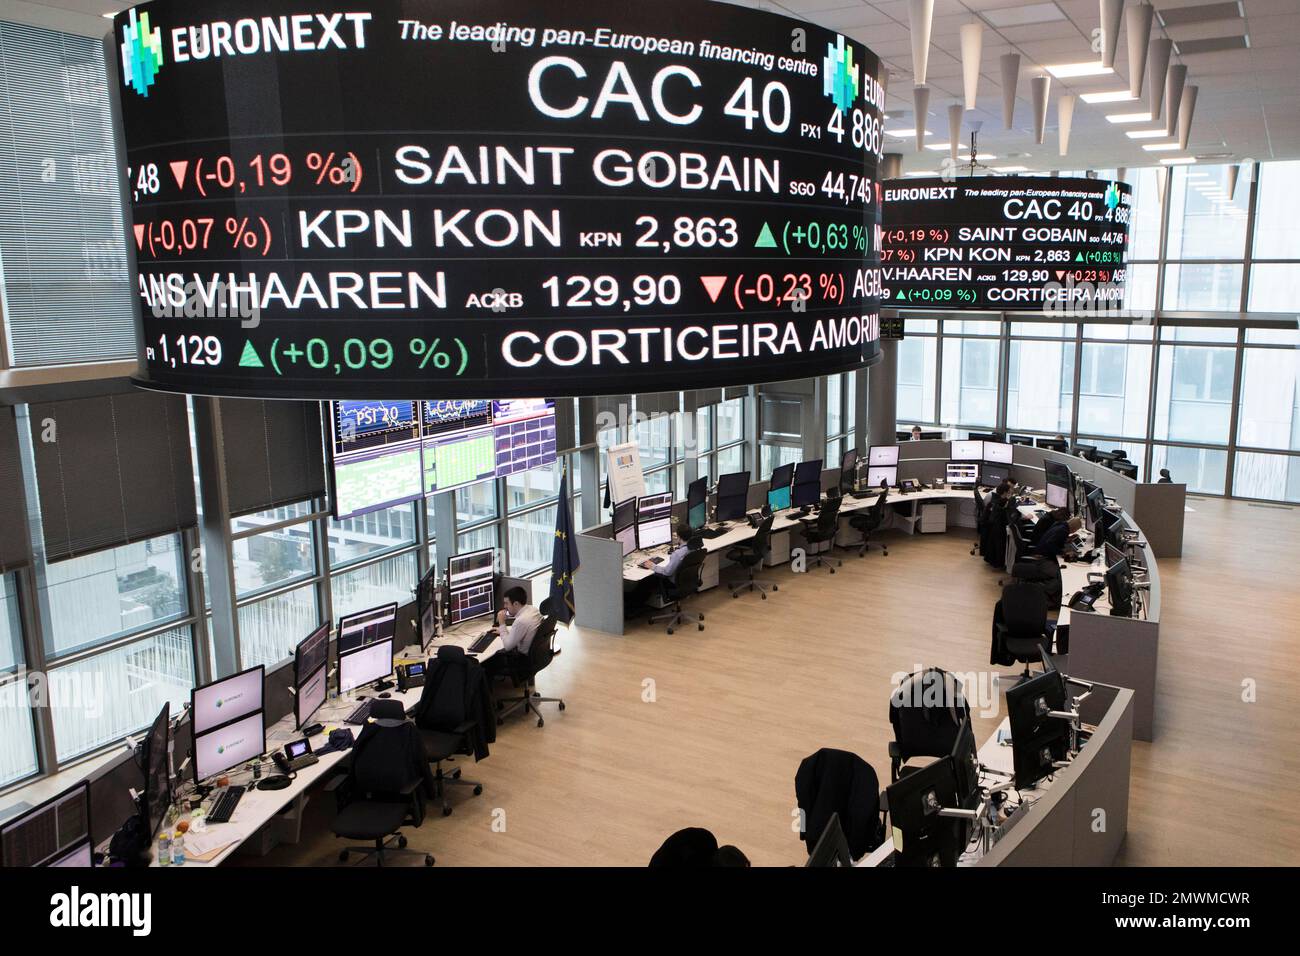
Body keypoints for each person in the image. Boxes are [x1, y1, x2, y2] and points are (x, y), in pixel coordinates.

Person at [623, 526, 697, 616]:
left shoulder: (677, 554)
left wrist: (653, 566)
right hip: (686, 581)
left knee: (648, 580)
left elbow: (667, 572)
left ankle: (632, 608)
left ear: (679, 537)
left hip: (673, 583)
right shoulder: (693, 548)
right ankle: (634, 605)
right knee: (648, 580)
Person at [484, 586, 542, 679]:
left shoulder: (521, 621)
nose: (505, 607)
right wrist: (504, 632)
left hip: (522, 659)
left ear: (516, 604)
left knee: (487, 662)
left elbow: (507, 646)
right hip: (537, 655)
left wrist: (502, 623)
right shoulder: (532, 609)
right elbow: (523, 631)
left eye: (506, 603)